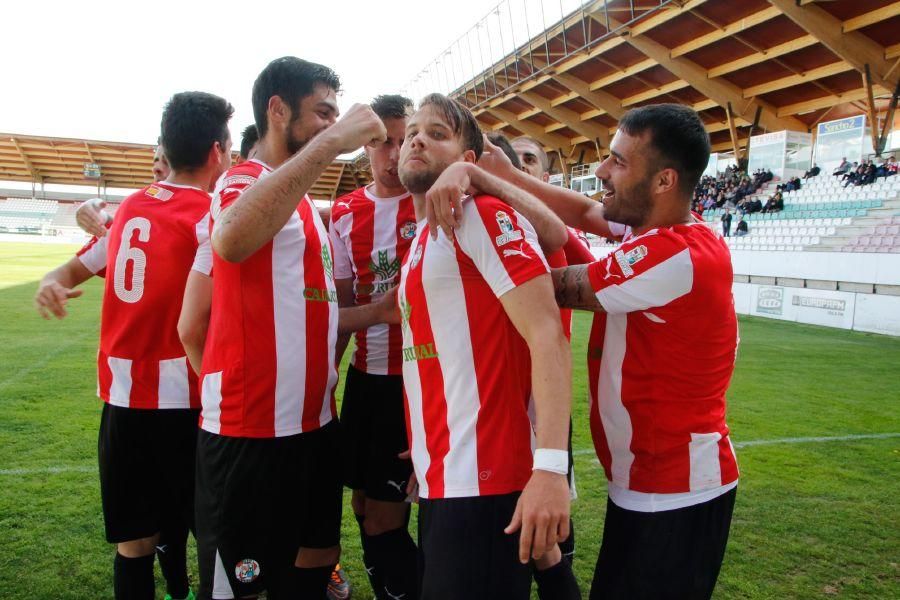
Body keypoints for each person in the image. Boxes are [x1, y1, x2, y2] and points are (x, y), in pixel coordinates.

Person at [188, 56, 385, 600]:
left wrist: (377, 312)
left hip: (314, 426)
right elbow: (229, 240)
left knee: (316, 565)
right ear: (278, 111)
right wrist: (335, 141)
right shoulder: (244, 179)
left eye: (335, 116)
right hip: (253, 436)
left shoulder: (299, 203)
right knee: (245, 585)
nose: (331, 125)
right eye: (322, 113)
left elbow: (307, 315)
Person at [34, 91, 234, 600]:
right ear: (218, 152)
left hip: (124, 405)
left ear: (165, 147)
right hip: (188, 404)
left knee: (134, 545)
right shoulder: (212, 216)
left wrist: (50, 281)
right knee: (218, 539)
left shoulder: (127, 211)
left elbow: (72, 268)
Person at [388, 93, 577, 599]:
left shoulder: (481, 216)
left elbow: (547, 336)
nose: (417, 139)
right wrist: (429, 442)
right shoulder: (423, 240)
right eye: (411, 133)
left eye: (437, 133)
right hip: (446, 473)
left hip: (486, 479)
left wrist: (551, 469)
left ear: (468, 161)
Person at [328, 94, 419, 600]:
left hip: (417, 383)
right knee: (363, 506)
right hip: (365, 383)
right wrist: (329, 373)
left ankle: (409, 586)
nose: (395, 153)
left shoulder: (432, 200)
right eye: (385, 141)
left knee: (386, 519)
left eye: (405, 141)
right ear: (367, 144)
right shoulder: (344, 212)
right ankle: (390, 583)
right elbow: (339, 310)